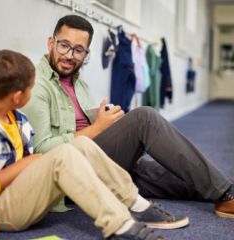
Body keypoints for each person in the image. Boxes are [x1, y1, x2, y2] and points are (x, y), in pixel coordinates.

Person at [0, 50, 191, 240]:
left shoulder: (16, 117)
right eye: (31, 88)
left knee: (82, 144)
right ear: (17, 96)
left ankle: (136, 204)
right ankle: (120, 225)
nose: (33, 93)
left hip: (21, 195)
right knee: (62, 153)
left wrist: (30, 163)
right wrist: (29, 163)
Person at [21, 15, 234, 219]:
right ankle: (225, 194)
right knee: (144, 117)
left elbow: (90, 128)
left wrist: (121, 139)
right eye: (64, 45)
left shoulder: (79, 83)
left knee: (180, 173)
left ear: (86, 54)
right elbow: (40, 152)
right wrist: (96, 129)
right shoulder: (36, 85)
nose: (69, 55)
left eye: (78, 50)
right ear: (51, 42)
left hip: (98, 160)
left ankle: (225, 189)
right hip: (70, 175)